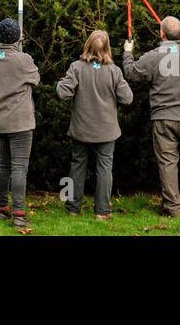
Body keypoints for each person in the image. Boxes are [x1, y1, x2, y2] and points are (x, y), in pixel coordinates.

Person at [123, 15, 180, 217]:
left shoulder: (153, 56)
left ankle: (173, 208)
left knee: (167, 162)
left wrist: (127, 52)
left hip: (163, 118)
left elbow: (130, 73)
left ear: (161, 34)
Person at [56, 30, 133, 219]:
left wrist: (60, 84)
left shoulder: (76, 68)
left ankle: (73, 209)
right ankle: (102, 211)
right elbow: (128, 98)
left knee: (77, 165)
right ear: (107, 49)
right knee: (104, 167)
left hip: (81, 129)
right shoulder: (114, 71)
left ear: (87, 45)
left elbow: (63, 93)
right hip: (106, 130)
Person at [0, 17, 40, 230]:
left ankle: (1, 209)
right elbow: (36, 79)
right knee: (19, 168)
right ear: (17, 38)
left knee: (4, 165)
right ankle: (18, 214)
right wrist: (20, 51)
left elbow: (4, 55)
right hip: (20, 122)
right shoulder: (23, 59)